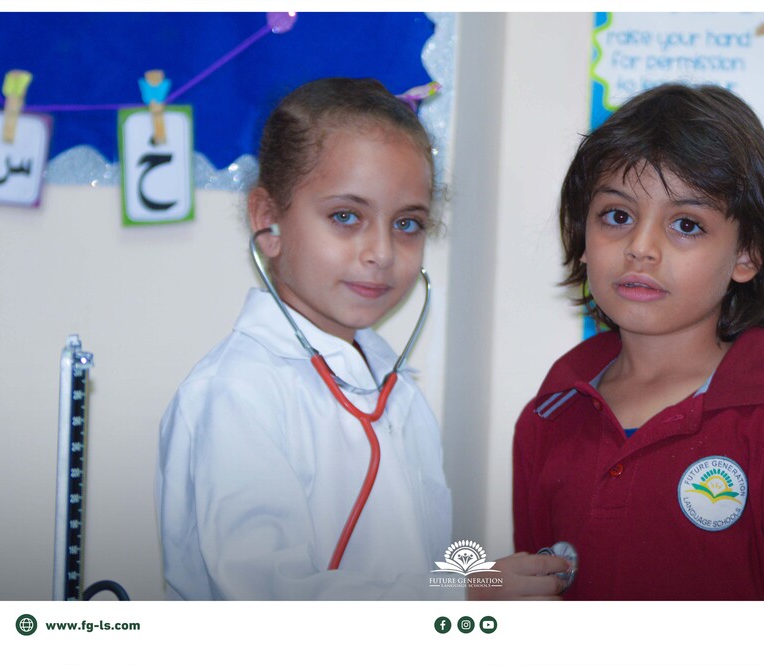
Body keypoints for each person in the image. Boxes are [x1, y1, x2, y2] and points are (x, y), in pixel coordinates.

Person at [158, 77, 566, 600]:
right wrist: (464, 592)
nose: (381, 252)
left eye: (407, 224)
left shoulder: (392, 389)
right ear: (269, 220)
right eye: (346, 217)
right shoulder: (235, 394)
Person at [513, 82, 764, 600]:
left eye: (686, 224)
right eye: (617, 216)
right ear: (583, 237)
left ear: (746, 255)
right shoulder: (548, 417)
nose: (641, 248)